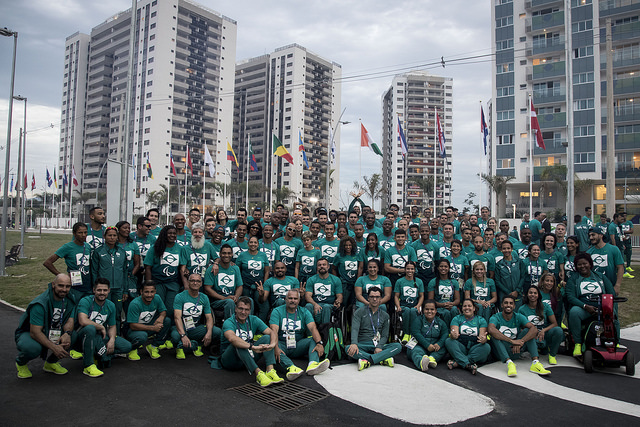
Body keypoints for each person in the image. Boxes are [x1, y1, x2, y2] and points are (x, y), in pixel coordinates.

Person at [15, 274, 77, 379]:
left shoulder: (69, 299)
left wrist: (67, 333)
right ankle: (21, 363)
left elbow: (70, 320)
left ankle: (51, 363)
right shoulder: (40, 303)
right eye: (60, 286)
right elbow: (35, 332)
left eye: (67, 286)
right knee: (32, 348)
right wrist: (54, 347)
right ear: (53, 285)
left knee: (73, 336)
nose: (64, 289)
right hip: (31, 333)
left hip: (53, 330)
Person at [74, 278, 132, 377]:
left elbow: (112, 326)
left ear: (109, 290)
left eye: (105, 290)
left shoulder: (111, 305)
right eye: (99, 290)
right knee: (90, 328)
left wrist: (112, 340)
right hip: (83, 336)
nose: (102, 293)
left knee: (126, 346)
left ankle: (99, 353)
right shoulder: (86, 301)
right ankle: (88, 365)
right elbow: (83, 321)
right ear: (94, 290)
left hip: (101, 336)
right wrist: (100, 327)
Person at [220, 297, 283, 387]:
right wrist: (252, 347)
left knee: (266, 338)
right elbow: (232, 339)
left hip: (247, 356)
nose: (243, 312)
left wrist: (273, 345)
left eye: (246, 310)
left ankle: (270, 370)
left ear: (250, 311)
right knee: (239, 343)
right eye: (241, 309)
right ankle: (258, 373)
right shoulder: (229, 322)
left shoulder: (253, 319)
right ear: (236, 309)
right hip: (230, 359)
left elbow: (271, 332)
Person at [270, 290, 330, 380]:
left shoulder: (304, 311)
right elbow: (274, 330)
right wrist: (276, 347)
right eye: (290, 298)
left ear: (299, 300)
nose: (292, 301)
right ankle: (291, 368)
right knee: (271, 345)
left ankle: (313, 364)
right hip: (282, 344)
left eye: (295, 298)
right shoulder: (277, 311)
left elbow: (313, 328)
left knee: (314, 339)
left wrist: (319, 343)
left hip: (297, 345)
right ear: (285, 299)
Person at [566, 253, 617, 357]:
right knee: (574, 312)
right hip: (584, 308)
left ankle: (616, 341)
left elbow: (611, 293)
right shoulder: (573, 279)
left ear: (590, 264)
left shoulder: (600, 276)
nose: (582, 266)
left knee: (613, 313)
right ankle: (578, 344)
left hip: (601, 306)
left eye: (585, 263)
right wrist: (585, 306)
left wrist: (605, 305)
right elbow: (570, 297)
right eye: (579, 265)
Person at [487, 295, 551, 377]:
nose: (508, 305)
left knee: (529, 331)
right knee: (494, 335)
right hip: (501, 351)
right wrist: (512, 341)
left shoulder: (518, 316)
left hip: (516, 350)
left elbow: (534, 329)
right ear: (502, 305)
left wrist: (521, 341)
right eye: (506, 303)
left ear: (514, 306)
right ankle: (509, 363)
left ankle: (535, 363)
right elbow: (491, 329)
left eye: (511, 303)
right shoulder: (496, 317)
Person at [346, 287, 402, 370]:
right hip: (363, 344)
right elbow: (355, 329)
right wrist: (354, 343)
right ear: (368, 298)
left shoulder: (385, 315)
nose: (374, 299)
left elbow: (385, 335)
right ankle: (380, 359)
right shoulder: (359, 312)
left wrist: (379, 346)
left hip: (378, 345)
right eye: (372, 297)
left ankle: (368, 360)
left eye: (377, 297)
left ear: (381, 299)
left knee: (398, 346)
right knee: (348, 349)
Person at [170, 274, 219, 360]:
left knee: (216, 331)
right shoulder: (180, 296)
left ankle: (194, 344)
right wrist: (183, 335)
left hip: (195, 328)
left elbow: (209, 318)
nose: (195, 283)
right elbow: (177, 317)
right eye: (192, 281)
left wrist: (209, 333)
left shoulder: (204, 297)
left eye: (198, 281)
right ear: (188, 282)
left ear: (201, 284)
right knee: (175, 336)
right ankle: (184, 347)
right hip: (181, 328)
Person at [90, 226, 128, 334]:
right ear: (104, 236)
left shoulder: (122, 252)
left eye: (114, 235)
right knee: (103, 311)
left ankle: (116, 335)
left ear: (117, 237)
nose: (112, 238)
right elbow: (94, 271)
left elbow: (125, 272)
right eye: (109, 235)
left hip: (118, 289)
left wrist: (125, 290)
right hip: (103, 289)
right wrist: (96, 287)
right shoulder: (98, 252)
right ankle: (102, 334)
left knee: (117, 312)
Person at [43, 222, 92, 300]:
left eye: (85, 232)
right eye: (80, 232)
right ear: (74, 233)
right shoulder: (68, 247)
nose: (83, 235)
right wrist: (60, 276)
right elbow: (48, 263)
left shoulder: (88, 246)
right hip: (74, 287)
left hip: (88, 286)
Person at [126, 281, 171, 361]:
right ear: (141, 291)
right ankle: (132, 349)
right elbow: (132, 325)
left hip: (147, 326)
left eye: (152, 292)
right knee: (142, 336)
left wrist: (161, 317)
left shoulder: (157, 298)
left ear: (155, 292)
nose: (149, 295)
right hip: (133, 330)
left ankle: (153, 346)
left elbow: (163, 311)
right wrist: (153, 328)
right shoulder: (135, 304)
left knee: (166, 321)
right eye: (146, 292)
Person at [518, 285, 563, 365]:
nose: (533, 295)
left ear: (538, 295)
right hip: (531, 336)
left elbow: (554, 323)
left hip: (544, 334)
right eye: (530, 293)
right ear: (527, 294)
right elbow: (521, 328)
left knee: (558, 330)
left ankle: (552, 355)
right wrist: (533, 333)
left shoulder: (545, 306)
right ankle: (535, 358)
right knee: (526, 331)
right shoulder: (522, 309)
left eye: (535, 293)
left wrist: (543, 330)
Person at [144, 225, 183, 316]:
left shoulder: (180, 249)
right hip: (158, 282)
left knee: (170, 308)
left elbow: (182, 267)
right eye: (169, 233)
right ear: (164, 234)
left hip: (173, 283)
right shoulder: (155, 248)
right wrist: (149, 283)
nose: (172, 235)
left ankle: (169, 326)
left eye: (174, 233)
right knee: (158, 307)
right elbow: (148, 267)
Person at [445, 299, 491, 375]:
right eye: (464, 306)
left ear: (474, 308)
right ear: (462, 308)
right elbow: (455, 333)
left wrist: (484, 339)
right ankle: (468, 364)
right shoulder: (457, 319)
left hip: (474, 347)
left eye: (469, 306)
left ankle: (459, 362)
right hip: (462, 347)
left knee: (486, 347)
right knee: (449, 341)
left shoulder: (481, 320)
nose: (467, 308)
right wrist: (453, 335)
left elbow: (482, 337)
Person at [203, 244, 243, 320]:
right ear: (220, 254)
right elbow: (207, 289)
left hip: (231, 298)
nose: (226, 255)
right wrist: (224, 298)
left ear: (232, 254)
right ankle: (230, 327)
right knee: (229, 302)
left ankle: (247, 327)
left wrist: (236, 297)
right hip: (217, 301)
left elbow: (240, 286)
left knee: (248, 301)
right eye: (224, 253)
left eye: (229, 253)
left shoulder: (235, 268)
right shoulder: (212, 269)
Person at [406, 299, 447, 372]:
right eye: (427, 309)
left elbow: (445, 333)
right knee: (415, 351)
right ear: (423, 310)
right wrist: (427, 345)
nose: (429, 311)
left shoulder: (440, 322)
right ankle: (421, 363)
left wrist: (439, 344)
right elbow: (416, 333)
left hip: (434, 347)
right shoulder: (418, 320)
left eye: (432, 309)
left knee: (445, 347)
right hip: (420, 345)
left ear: (436, 310)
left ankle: (432, 359)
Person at [586, 227, 624, 294]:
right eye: (590, 235)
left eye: (593, 235)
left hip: (610, 285)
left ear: (601, 235)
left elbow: (620, 267)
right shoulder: (589, 252)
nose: (591, 238)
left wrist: (617, 285)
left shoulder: (613, 249)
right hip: (595, 287)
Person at [236, 236, 270, 310]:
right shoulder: (242, 255)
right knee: (248, 306)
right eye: (251, 242)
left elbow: (267, 271)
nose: (253, 244)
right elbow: (237, 269)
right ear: (248, 244)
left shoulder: (263, 255)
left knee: (264, 307)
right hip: (245, 286)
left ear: (258, 244)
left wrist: (264, 284)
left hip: (259, 286)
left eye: (255, 242)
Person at [305, 258, 343, 324]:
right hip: (315, 303)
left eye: (324, 265)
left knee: (326, 307)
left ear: (328, 267)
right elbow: (308, 295)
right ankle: (309, 332)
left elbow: (339, 295)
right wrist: (315, 304)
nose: (321, 266)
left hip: (329, 305)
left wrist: (338, 301)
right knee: (308, 306)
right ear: (317, 267)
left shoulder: (336, 279)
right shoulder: (311, 279)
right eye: (319, 265)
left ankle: (325, 331)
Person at [393, 262, 424, 343]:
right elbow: (396, 296)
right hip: (403, 305)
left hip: (414, 305)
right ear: (405, 270)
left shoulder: (419, 281)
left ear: (415, 270)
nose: (410, 271)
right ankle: (406, 334)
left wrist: (418, 305)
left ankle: (413, 334)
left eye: (412, 269)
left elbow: (421, 296)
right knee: (407, 310)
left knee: (413, 311)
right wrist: (398, 306)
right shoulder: (399, 281)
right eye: (408, 269)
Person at [427, 259, 460, 326]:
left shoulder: (454, 282)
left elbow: (457, 299)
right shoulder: (433, 282)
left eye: (445, 266)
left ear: (449, 268)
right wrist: (442, 305)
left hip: (451, 305)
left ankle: (454, 329)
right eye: (441, 266)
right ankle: (446, 331)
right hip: (439, 307)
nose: (443, 268)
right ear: (438, 268)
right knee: (446, 313)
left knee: (454, 309)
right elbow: (430, 300)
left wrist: (452, 304)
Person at [494, 240, 525, 308]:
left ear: (512, 249)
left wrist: (517, 290)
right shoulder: (498, 264)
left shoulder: (519, 262)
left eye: (508, 248)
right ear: (501, 250)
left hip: (517, 294)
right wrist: (508, 292)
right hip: (504, 294)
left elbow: (522, 277)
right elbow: (497, 281)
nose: (506, 250)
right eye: (504, 248)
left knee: (517, 314)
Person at [116, 220, 142, 304]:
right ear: (118, 230)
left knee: (131, 301)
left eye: (129, 228)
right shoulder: (114, 244)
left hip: (130, 277)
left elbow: (137, 264)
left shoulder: (133, 244)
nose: (127, 230)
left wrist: (131, 275)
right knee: (119, 301)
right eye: (125, 228)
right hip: (117, 277)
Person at [332, 236, 361, 303]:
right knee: (344, 302)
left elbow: (360, 267)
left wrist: (358, 279)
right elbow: (333, 268)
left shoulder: (357, 255)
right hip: (344, 283)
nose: (348, 247)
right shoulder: (339, 256)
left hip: (355, 283)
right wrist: (337, 279)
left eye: (350, 245)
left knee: (353, 302)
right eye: (346, 245)